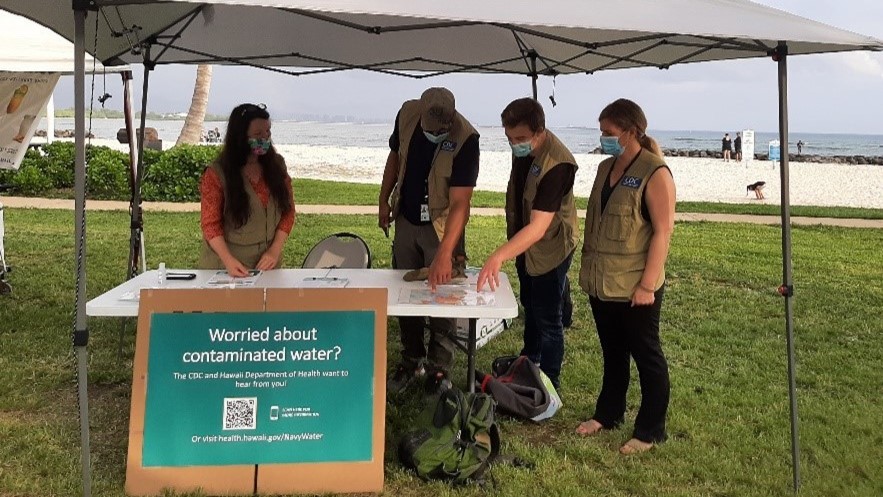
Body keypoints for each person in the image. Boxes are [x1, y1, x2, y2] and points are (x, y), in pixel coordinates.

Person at [575, 99, 676, 455]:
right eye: (602, 132)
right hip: (602, 283)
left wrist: (647, 285)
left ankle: (650, 430)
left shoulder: (655, 172)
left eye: (609, 133)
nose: (604, 138)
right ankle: (609, 414)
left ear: (632, 132)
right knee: (613, 354)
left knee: (646, 356)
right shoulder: (605, 168)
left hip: (637, 286)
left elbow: (663, 232)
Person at [379, 87, 480, 394]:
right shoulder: (407, 114)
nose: (438, 133)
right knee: (403, 291)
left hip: (441, 225)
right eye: (431, 128)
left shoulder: (466, 139)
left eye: (443, 129)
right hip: (408, 219)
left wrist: (445, 252)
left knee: (443, 295)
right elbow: (395, 158)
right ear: (420, 115)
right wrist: (384, 200)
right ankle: (411, 359)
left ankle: (439, 368)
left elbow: (461, 202)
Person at [476, 98, 578, 391]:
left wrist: (498, 257)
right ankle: (529, 360)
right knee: (530, 305)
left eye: (520, 139)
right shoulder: (525, 149)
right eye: (509, 138)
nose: (514, 145)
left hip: (550, 247)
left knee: (548, 316)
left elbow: (539, 227)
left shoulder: (558, 165)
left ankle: (549, 380)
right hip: (525, 246)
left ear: (540, 131)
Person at [199, 103, 296, 276]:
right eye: (258, 134)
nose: (265, 139)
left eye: (268, 133)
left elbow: (288, 212)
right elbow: (210, 225)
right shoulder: (216, 173)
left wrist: (274, 250)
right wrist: (228, 260)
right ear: (240, 136)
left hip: (268, 263)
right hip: (227, 264)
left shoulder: (277, 166)